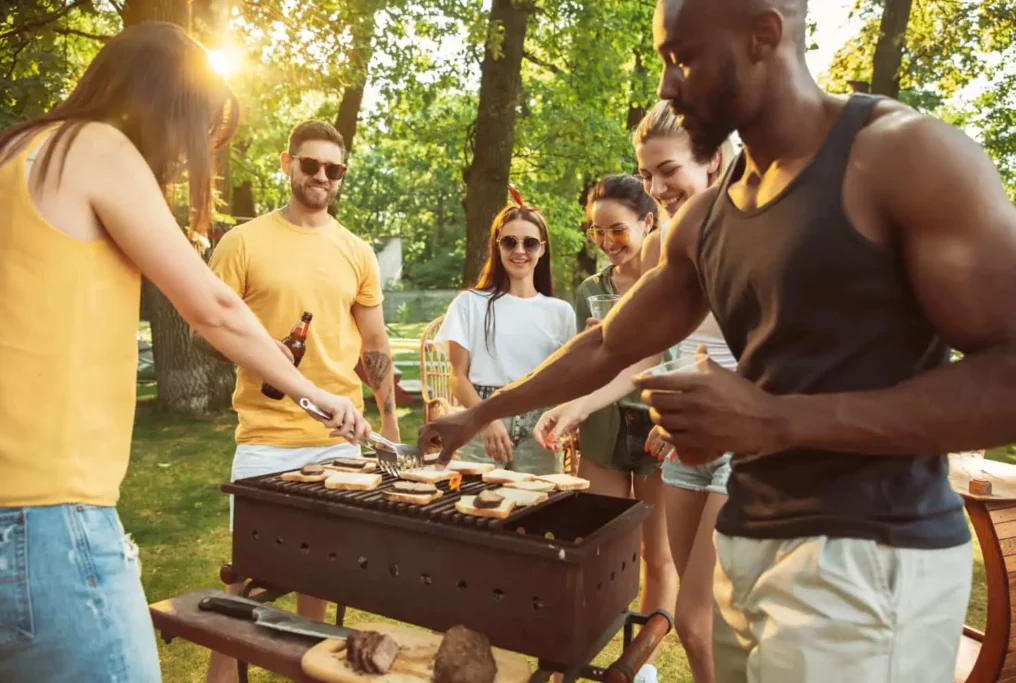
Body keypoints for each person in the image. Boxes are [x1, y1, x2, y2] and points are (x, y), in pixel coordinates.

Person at [419, 0, 1016, 681]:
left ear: (764, 34)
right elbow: (609, 343)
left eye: (683, 60)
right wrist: (482, 411)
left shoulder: (901, 155)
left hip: (870, 557)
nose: (668, 87)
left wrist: (774, 418)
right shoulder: (704, 218)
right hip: (749, 546)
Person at [0, 23, 369, 683]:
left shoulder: (13, 153)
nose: (185, 158)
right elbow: (215, 308)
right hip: (44, 518)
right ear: (168, 106)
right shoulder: (97, 147)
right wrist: (320, 395)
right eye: (199, 133)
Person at [535, 103, 736, 683]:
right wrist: (581, 404)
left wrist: (702, 395)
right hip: (684, 450)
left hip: (737, 443)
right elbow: (641, 351)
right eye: (646, 175)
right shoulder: (669, 244)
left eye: (666, 171)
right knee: (701, 625)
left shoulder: (754, 234)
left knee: (699, 620)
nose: (656, 188)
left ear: (714, 160)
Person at [198, 119, 398, 682]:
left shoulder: (356, 251)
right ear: (287, 163)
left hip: (340, 446)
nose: (321, 177)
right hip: (265, 441)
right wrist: (258, 355)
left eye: (333, 169)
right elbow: (204, 329)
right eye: (310, 164)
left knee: (325, 581)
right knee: (242, 579)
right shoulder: (242, 241)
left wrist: (387, 419)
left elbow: (375, 348)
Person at [533, 174, 675, 683]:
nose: (607, 243)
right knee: (603, 547)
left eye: (617, 231)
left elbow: (671, 354)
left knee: (657, 555)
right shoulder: (591, 290)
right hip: (604, 427)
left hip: (660, 425)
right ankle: (590, 650)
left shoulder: (670, 279)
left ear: (648, 222)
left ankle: (641, 665)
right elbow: (583, 365)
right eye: (597, 233)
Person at [435, 189, 576, 474]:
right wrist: (485, 419)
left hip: (540, 426)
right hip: (482, 418)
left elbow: (568, 380)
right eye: (509, 242)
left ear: (543, 248)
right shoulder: (470, 303)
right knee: (476, 511)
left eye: (530, 243)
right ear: (497, 247)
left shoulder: (561, 312)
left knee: (539, 511)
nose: (519, 251)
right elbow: (458, 377)